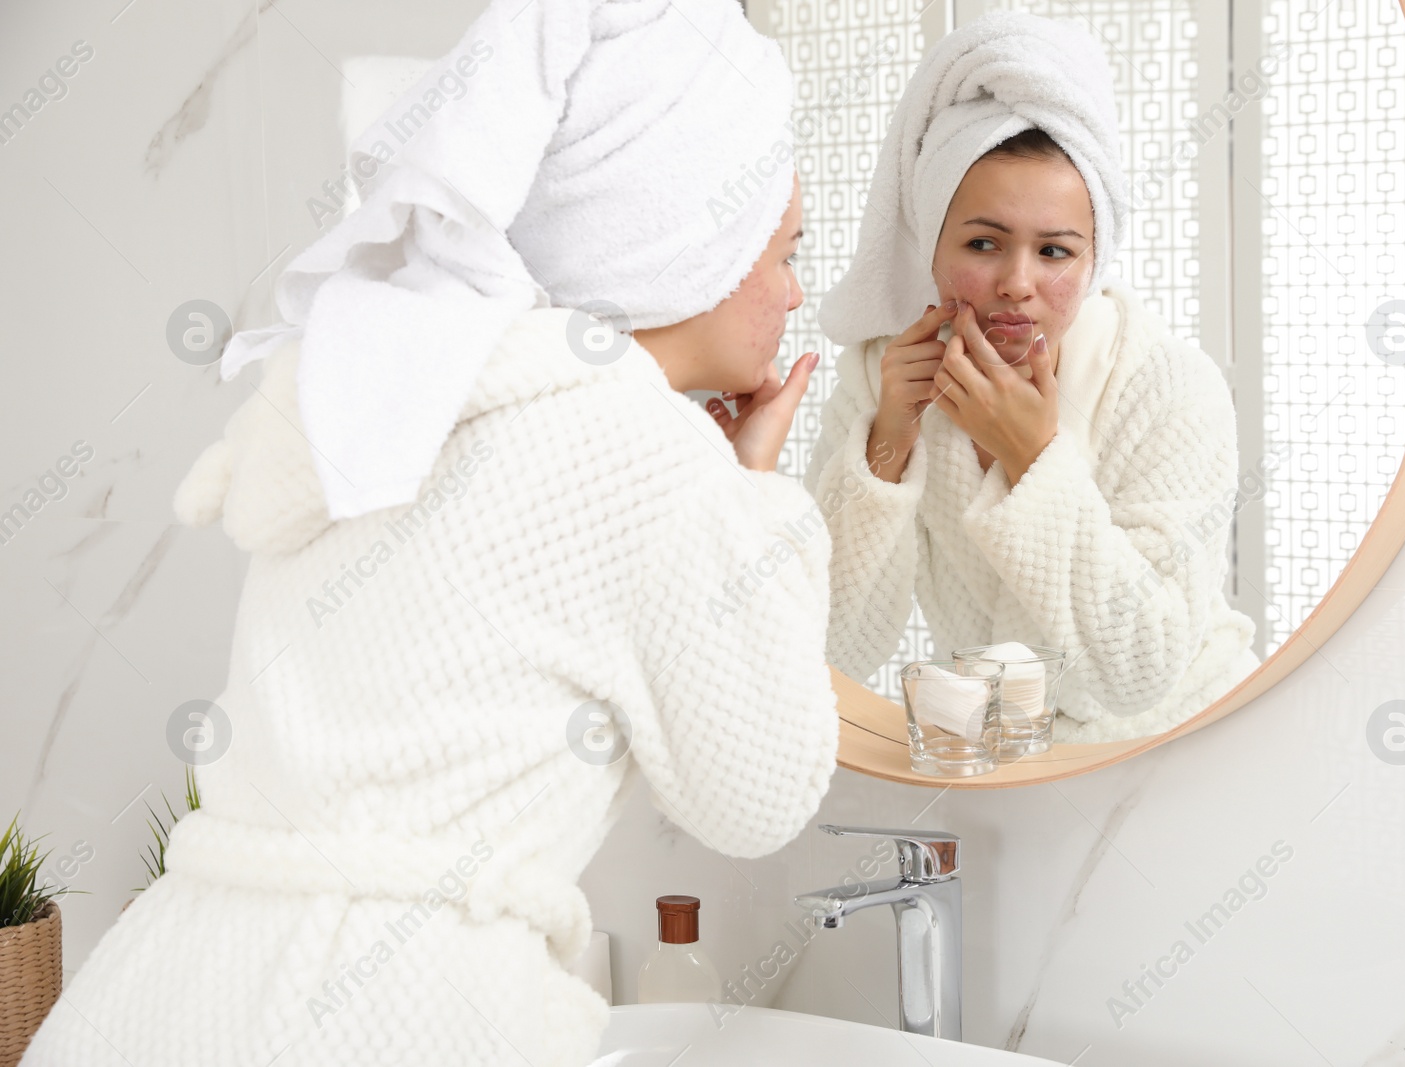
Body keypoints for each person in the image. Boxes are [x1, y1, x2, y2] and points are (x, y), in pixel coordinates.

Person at [20, 1, 836, 1064]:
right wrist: (757, 501)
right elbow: (759, 792)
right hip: (398, 1011)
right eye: (783, 249)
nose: (795, 289)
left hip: (168, 985)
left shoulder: (384, 401)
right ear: (696, 243)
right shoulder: (637, 448)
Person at [803, 12, 1259, 744]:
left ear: (1094, 256)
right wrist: (886, 445)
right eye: (983, 243)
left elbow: (1141, 668)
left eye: (1055, 252)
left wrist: (1034, 459)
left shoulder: (1168, 386)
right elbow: (832, 651)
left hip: (1193, 751)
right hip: (1013, 766)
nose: (1017, 284)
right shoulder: (885, 381)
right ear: (931, 240)